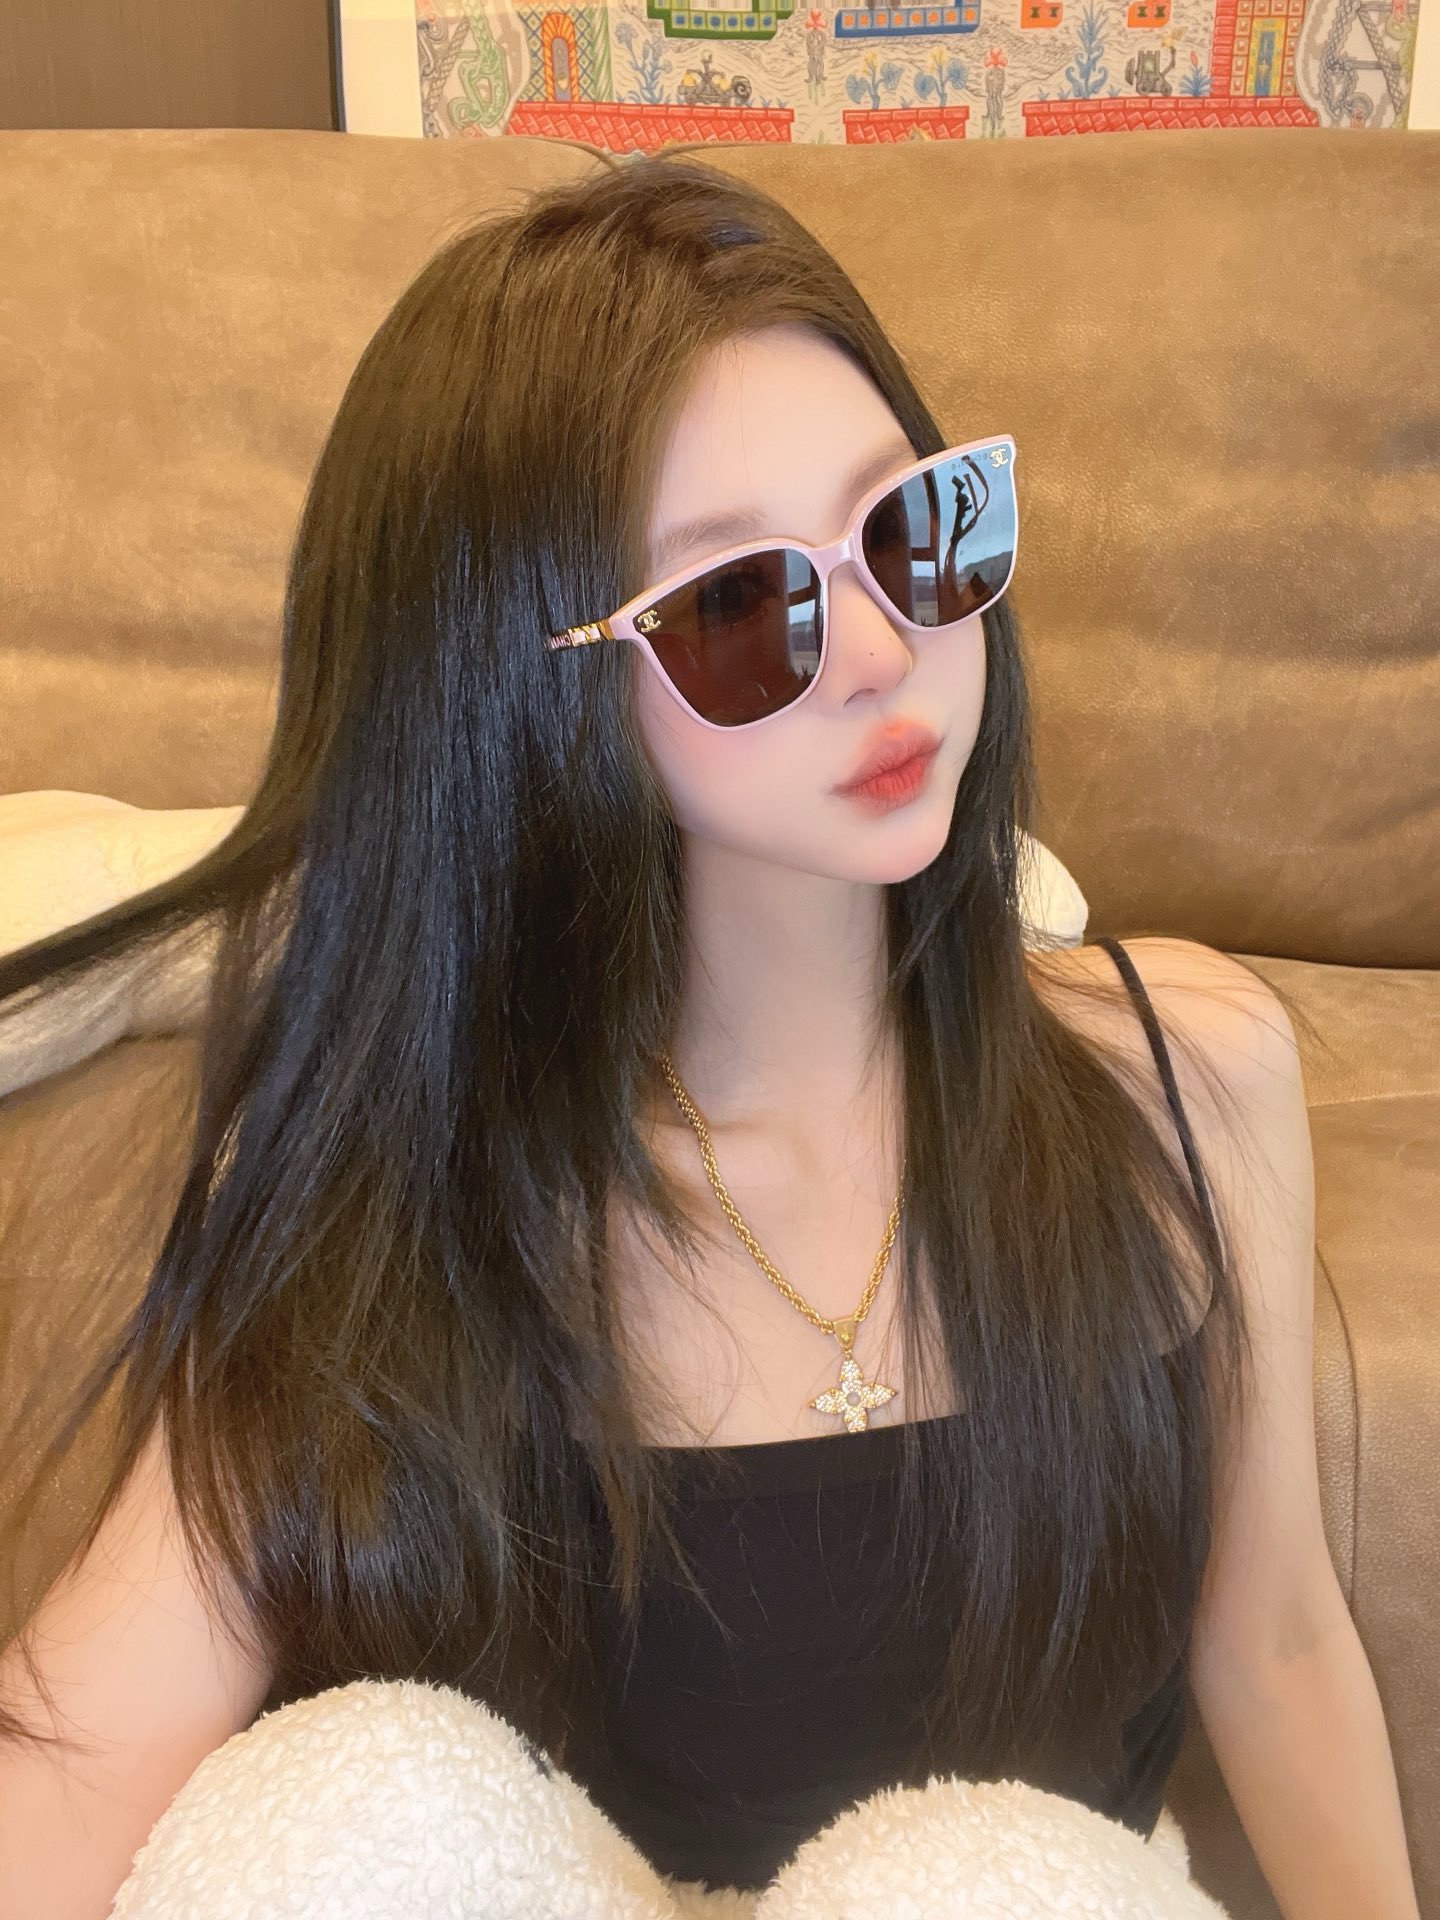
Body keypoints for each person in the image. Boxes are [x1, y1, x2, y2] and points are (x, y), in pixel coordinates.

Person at [0, 148, 1317, 1916]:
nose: (880, 651)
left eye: (917, 531)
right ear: (512, 689)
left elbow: (1282, 1645)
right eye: (739, 606)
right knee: (347, 1815)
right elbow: (77, 1751)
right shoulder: (395, 1201)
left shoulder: (1189, 1080)